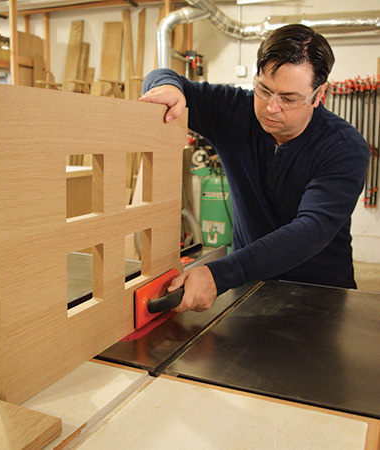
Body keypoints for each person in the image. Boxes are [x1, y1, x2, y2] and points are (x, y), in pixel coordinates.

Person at [139, 24, 369, 313]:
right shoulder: (236, 110)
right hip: (250, 289)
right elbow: (164, 78)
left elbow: (310, 230)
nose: (271, 107)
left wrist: (218, 275)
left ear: (319, 94)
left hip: (321, 296)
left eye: (288, 98)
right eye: (264, 90)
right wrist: (167, 89)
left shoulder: (344, 148)